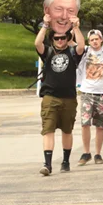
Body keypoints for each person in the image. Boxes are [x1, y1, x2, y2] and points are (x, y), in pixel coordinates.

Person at [35, 11, 85, 176]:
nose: (60, 40)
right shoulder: (48, 52)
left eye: (63, 37)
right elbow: (37, 43)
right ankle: (47, 164)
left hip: (69, 97)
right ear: (52, 40)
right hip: (50, 97)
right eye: (57, 38)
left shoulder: (71, 53)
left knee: (67, 130)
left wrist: (76, 27)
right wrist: (45, 25)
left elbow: (81, 46)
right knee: (48, 130)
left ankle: (65, 160)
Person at [76, 29, 103, 166]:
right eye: (92, 39)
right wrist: (75, 27)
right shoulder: (84, 51)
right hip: (87, 93)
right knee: (85, 123)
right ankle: (86, 152)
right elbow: (76, 43)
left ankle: (98, 153)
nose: (94, 41)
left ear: (101, 39)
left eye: (97, 39)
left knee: (100, 126)